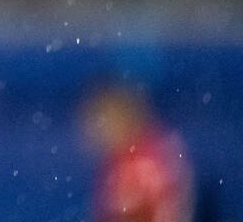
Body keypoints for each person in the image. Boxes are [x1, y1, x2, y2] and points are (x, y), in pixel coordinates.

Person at [79, 82, 193, 222]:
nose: (98, 129)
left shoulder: (147, 157)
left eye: (104, 119)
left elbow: (171, 205)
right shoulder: (114, 162)